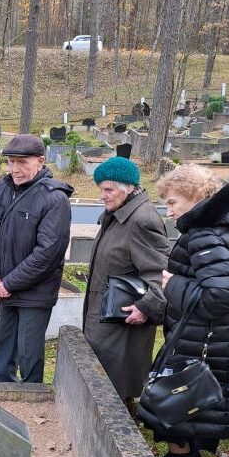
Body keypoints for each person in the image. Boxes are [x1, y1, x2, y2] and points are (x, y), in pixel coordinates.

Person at [145, 163, 229, 457]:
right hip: (227, 337)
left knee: (176, 403)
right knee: (200, 402)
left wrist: (173, 285)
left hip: (202, 337)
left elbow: (222, 295)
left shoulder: (204, 234)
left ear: (196, 195)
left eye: (173, 202)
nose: (169, 211)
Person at [0, 134, 73, 383]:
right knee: (3, 350)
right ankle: (1, 397)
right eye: (11, 162)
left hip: (34, 292)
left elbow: (48, 253)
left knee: (29, 354)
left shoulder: (54, 198)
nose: (15, 169)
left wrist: (9, 283)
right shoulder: (3, 189)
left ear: (40, 161)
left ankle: (32, 400)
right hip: (5, 287)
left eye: (22, 162)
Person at [82, 156, 170, 413]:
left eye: (108, 189)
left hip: (122, 322)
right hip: (106, 316)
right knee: (102, 385)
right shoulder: (118, 214)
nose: (103, 195)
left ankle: (122, 427)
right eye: (101, 189)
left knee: (114, 389)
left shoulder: (142, 219)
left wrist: (146, 307)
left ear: (128, 188)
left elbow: (162, 273)